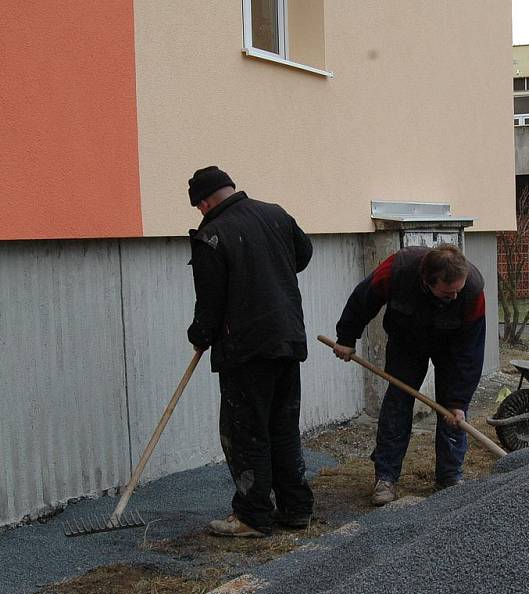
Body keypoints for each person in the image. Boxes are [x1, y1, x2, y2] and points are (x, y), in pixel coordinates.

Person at [186, 165, 314, 538]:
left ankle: (253, 516)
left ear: (205, 201)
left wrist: (200, 334)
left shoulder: (212, 234)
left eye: (199, 207)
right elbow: (303, 255)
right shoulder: (275, 214)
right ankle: (296, 509)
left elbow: (210, 299)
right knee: (284, 426)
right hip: (288, 340)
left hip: (245, 349)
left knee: (246, 431)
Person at [332, 244, 486, 506]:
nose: (455, 297)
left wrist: (459, 401)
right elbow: (363, 298)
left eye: (458, 291)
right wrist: (347, 337)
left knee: (453, 413)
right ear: (428, 281)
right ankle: (386, 477)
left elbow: (472, 350)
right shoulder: (397, 269)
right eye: (449, 293)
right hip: (407, 339)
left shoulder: (471, 290)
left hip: (452, 344)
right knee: (398, 402)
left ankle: (449, 477)